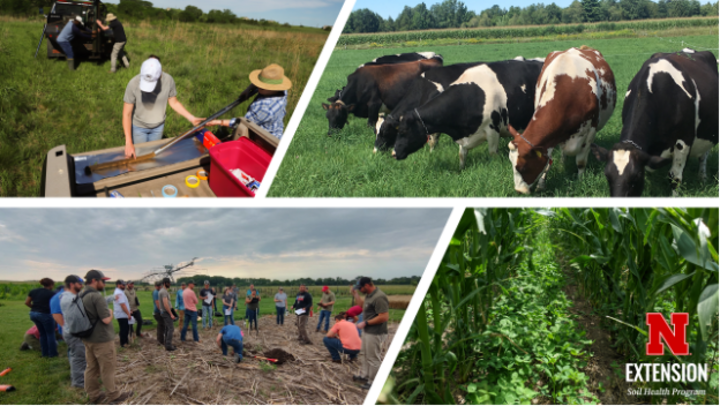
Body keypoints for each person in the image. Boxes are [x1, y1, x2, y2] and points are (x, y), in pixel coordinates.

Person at [123, 56, 204, 159]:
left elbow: (174, 102)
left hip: (158, 127)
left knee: (153, 155)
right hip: (139, 128)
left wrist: (191, 117)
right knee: (139, 157)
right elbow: (127, 113)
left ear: (160, 73)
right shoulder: (133, 84)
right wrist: (128, 142)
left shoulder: (168, 80)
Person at [81, 270, 133, 404]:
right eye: (102, 281)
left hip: (88, 337)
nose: (104, 283)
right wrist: (110, 312)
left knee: (91, 368)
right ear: (94, 280)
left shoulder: (81, 294)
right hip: (101, 339)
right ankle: (114, 396)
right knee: (107, 368)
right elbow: (106, 320)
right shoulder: (95, 296)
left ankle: (93, 395)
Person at [208, 64, 292, 140]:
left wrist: (217, 122)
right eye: (258, 83)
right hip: (276, 129)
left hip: (264, 138)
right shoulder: (282, 90)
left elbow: (243, 124)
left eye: (262, 87)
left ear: (273, 88)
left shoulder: (264, 108)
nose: (258, 87)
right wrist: (248, 89)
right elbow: (258, 83)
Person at [352, 277, 390, 390]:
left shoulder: (379, 297)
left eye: (360, 288)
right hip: (368, 331)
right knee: (364, 354)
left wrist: (366, 323)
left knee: (373, 358)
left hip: (375, 332)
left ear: (367, 285)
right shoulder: (369, 295)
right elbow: (362, 306)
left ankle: (374, 382)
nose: (360, 290)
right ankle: (364, 376)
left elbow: (384, 316)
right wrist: (356, 295)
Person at [59, 275, 87, 389]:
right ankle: (79, 384)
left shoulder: (70, 296)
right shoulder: (68, 298)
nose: (82, 286)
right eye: (79, 284)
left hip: (73, 332)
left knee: (78, 356)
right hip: (74, 334)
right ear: (71, 284)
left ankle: (80, 379)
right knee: (78, 358)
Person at [25, 278, 58, 357]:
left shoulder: (34, 291)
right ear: (51, 285)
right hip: (45, 315)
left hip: (33, 314)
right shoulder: (51, 294)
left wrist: (35, 307)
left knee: (42, 334)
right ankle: (53, 354)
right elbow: (54, 305)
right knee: (50, 334)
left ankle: (44, 353)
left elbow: (27, 302)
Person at [157, 278, 176, 351]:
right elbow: (165, 304)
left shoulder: (162, 291)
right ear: (165, 283)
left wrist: (172, 310)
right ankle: (168, 346)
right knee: (171, 328)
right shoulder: (164, 292)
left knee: (167, 328)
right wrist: (171, 314)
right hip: (166, 312)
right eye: (168, 283)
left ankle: (166, 343)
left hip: (164, 312)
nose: (170, 284)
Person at [113, 280, 131, 347]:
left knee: (125, 328)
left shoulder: (120, 292)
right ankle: (123, 343)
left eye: (124, 285)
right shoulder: (119, 293)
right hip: (121, 314)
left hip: (122, 314)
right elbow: (122, 304)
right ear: (118, 285)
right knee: (124, 329)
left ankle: (125, 342)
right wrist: (128, 314)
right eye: (122, 285)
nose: (124, 286)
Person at [152, 280, 164, 346]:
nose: (159, 287)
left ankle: (161, 339)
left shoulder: (159, 292)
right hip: (158, 312)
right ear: (155, 286)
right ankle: (160, 341)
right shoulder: (156, 292)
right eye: (158, 286)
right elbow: (157, 303)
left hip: (159, 311)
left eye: (160, 286)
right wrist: (161, 311)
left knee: (162, 326)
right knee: (160, 326)